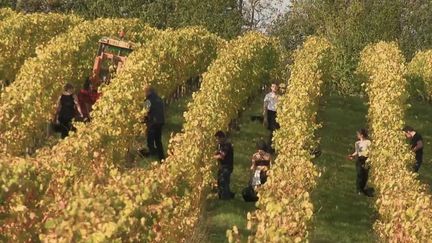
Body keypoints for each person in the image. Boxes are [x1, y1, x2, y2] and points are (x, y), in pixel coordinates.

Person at [142, 85, 165, 161]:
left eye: (145, 92)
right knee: (158, 141)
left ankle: (152, 156)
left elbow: (145, 112)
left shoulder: (147, 100)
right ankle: (162, 158)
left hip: (152, 123)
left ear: (148, 92)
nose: (144, 93)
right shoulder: (159, 99)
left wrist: (144, 121)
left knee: (150, 142)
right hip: (160, 122)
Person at [348, 128, 372, 196]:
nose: (357, 135)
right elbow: (357, 152)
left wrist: (369, 158)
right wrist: (352, 155)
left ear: (361, 135)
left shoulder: (368, 142)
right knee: (359, 174)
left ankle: (363, 188)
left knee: (365, 175)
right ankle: (359, 189)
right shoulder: (357, 143)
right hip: (359, 159)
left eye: (358, 134)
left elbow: (370, 151)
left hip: (366, 159)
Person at [214, 131, 235, 200]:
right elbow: (217, 153)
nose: (217, 140)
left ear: (222, 138)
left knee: (224, 181)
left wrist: (211, 158)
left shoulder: (227, 145)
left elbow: (222, 156)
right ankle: (225, 195)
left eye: (218, 139)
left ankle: (226, 197)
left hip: (227, 166)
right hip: (222, 166)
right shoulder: (220, 145)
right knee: (220, 181)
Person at [263, 83, 280, 149]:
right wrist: (265, 117)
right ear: (271, 87)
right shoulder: (268, 96)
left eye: (276, 87)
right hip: (270, 113)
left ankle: (273, 146)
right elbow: (265, 106)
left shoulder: (279, 97)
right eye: (273, 86)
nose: (274, 88)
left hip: (277, 113)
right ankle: (269, 146)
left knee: (276, 130)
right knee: (271, 130)